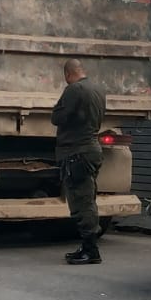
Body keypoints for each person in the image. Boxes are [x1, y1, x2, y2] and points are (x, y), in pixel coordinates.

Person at [52, 58, 108, 264]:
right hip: (92, 148)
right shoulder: (98, 89)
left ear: (68, 74)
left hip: (77, 151)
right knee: (88, 197)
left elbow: (57, 117)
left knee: (82, 200)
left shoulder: (74, 90)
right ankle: (86, 247)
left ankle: (91, 250)